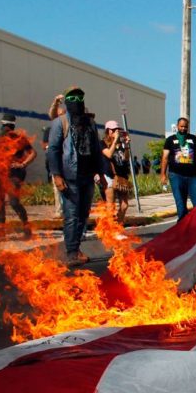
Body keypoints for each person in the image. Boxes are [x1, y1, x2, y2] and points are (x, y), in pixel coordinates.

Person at [47, 86, 108, 266]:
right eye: (73, 99)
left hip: (87, 176)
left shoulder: (89, 124)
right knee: (72, 215)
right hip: (69, 176)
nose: (77, 103)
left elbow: (96, 150)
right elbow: (53, 150)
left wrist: (101, 173)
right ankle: (71, 252)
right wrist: (57, 175)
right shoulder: (60, 122)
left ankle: (76, 248)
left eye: (80, 99)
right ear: (67, 102)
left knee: (83, 214)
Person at [0, 113, 37, 240]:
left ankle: (26, 226)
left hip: (14, 174)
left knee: (14, 202)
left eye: (8, 126)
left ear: (12, 126)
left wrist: (23, 164)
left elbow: (33, 153)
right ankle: (0, 228)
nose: (5, 128)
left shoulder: (20, 139)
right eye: (4, 126)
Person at [160, 117, 196, 221]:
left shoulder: (193, 139)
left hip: (192, 176)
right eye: (181, 126)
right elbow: (165, 158)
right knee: (180, 204)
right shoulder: (170, 140)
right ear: (177, 126)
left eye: (185, 126)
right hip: (176, 175)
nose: (183, 128)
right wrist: (163, 174)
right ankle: (182, 228)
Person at [101, 120, 132, 224]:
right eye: (115, 130)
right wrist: (115, 142)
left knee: (124, 205)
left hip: (122, 176)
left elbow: (126, 159)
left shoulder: (121, 144)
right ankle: (111, 229)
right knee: (110, 204)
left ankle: (118, 225)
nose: (117, 132)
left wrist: (126, 145)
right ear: (109, 131)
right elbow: (109, 154)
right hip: (109, 175)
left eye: (119, 130)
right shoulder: (102, 143)